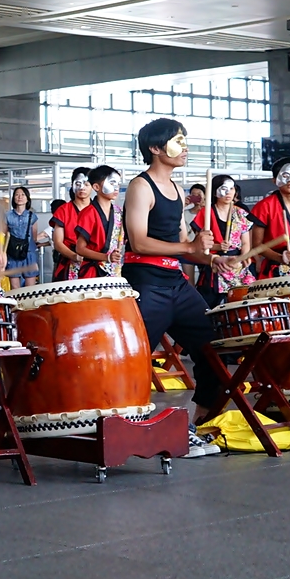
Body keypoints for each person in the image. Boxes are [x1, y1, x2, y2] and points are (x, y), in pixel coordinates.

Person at [121, 119, 222, 456]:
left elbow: (182, 243)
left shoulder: (178, 190)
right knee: (134, 358)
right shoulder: (141, 186)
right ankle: (130, 427)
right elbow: (138, 242)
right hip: (146, 282)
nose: (185, 147)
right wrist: (189, 248)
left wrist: (210, 258)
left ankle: (201, 424)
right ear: (155, 148)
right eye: (178, 141)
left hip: (176, 283)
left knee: (212, 346)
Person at [195, 174, 252, 306]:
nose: (228, 192)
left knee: (242, 305)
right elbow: (198, 244)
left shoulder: (241, 213)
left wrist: (243, 258)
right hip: (214, 264)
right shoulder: (205, 213)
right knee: (207, 307)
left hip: (236, 265)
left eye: (231, 188)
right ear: (214, 192)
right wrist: (217, 247)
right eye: (223, 188)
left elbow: (245, 243)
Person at [74, 165, 126, 278]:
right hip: (92, 273)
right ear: (96, 187)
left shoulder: (118, 212)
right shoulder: (88, 213)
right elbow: (80, 248)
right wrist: (106, 257)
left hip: (114, 270)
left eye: (118, 183)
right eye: (112, 183)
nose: (116, 188)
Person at [49, 168, 94, 282]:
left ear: (93, 186)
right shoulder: (63, 210)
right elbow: (58, 242)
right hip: (68, 262)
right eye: (78, 183)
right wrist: (74, 256)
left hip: (94, 263)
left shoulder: (98, 211)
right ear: (72, 185)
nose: (82, 187)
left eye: (86, 184)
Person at [4, 186, 43, 288]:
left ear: (27, 198)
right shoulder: (7, 216)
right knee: (14, 288)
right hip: (12, 254)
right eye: (17, 195)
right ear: (13, 198)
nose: (19, 197)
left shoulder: (32, 216)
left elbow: (34, 237)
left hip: (29, 253)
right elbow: (4, 235)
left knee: (30, 288)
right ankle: (16, 304)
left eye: (23, 195)